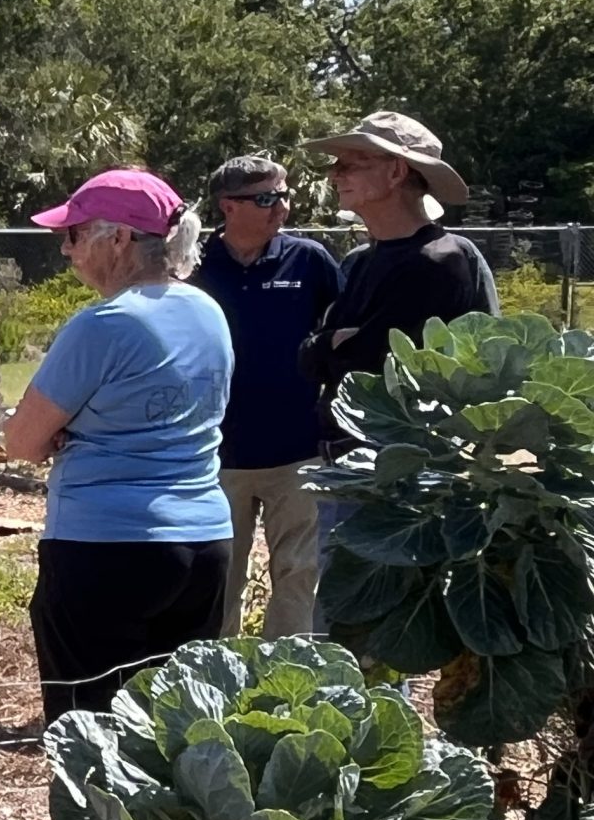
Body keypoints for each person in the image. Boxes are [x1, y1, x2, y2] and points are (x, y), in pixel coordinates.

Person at [0, 170, 233, 722]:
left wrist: (60, 428)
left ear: (120, 238)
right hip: (204, 542)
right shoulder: (210, 313)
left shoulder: (102, 324)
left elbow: (23, 442)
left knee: (90, 737)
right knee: (178, 735)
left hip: (106, 548)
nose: (66, 249)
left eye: (75, 234)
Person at [188, 155, 339, 638]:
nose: (283, 207)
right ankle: (216, 680)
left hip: (298, 451)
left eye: (284, 194)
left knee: (300, 575)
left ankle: (287, 679)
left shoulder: (310, 260)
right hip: (217, 454)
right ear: (228, 206)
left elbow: (343, 335)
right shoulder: (193, 267)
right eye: (267, 198)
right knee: (218, 577)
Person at [299, 112, 499, 454]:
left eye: (351, 164)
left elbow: (370, 365)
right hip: (350, 465)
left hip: (403, 479)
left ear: (396, 171)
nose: (335, 175)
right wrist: (329, 345)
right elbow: (313, 359)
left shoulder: (437, 261)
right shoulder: (365, 259)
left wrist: (329, 345)